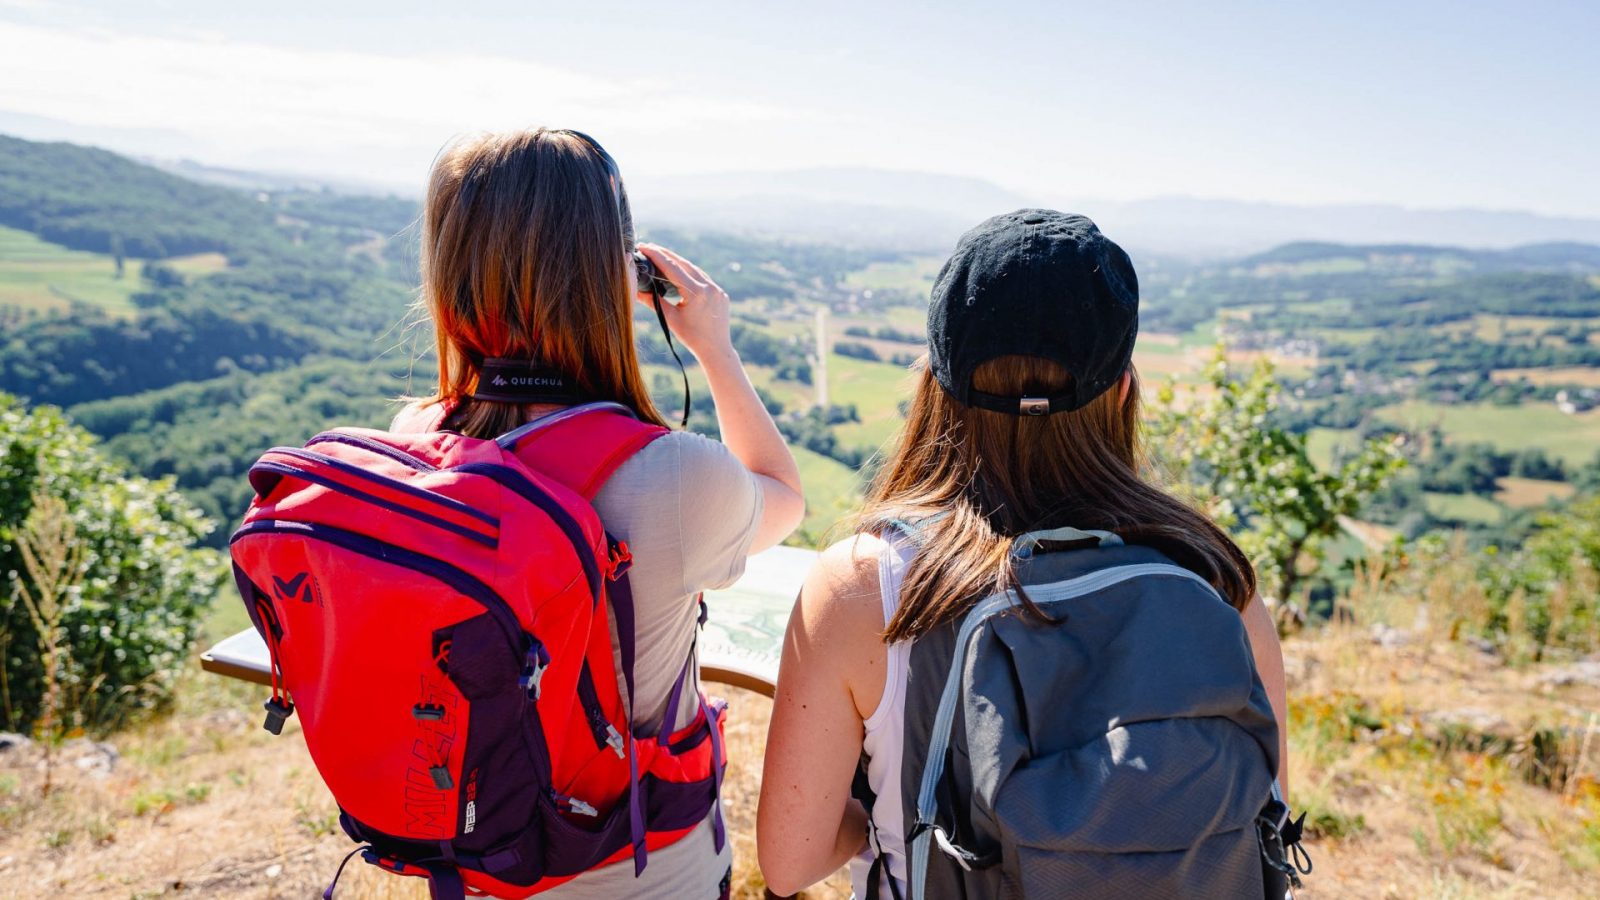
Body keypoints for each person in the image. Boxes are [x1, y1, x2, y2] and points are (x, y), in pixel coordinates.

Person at [757, 211, 1290, 898]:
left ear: (933, 384)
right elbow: (1260, 818)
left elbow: (790, 861)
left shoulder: (868, 585)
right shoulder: (1214, 580)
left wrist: (884, 818)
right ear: (1124, 390)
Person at [394, 128, 804, 898]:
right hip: (641, 867)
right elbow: (782, 492)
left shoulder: (413, 443)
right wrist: (714, 348)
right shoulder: (671, 477)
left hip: (480, 855)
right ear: (613, 276)